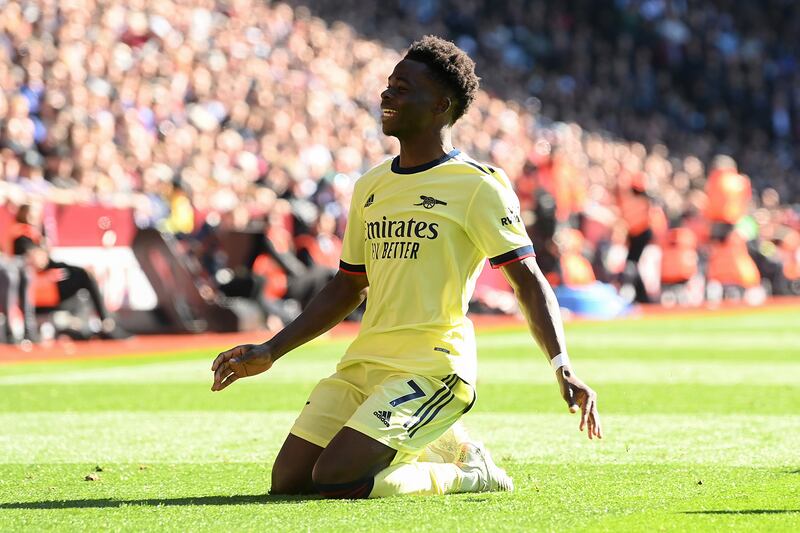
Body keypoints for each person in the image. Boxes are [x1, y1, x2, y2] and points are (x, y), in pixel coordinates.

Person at [211, 36, 602, 499]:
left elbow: (528, 283)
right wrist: (271, 350)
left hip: (433, 370)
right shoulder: (370, 186)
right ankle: (435, 443)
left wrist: (562, 366)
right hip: (363, 365)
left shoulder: (478, 186)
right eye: (388, 84)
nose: (385, 95)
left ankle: (468, 473)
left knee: (336, 480)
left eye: (402, 86)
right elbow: (348, 288)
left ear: (440, 105)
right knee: (290, 483)